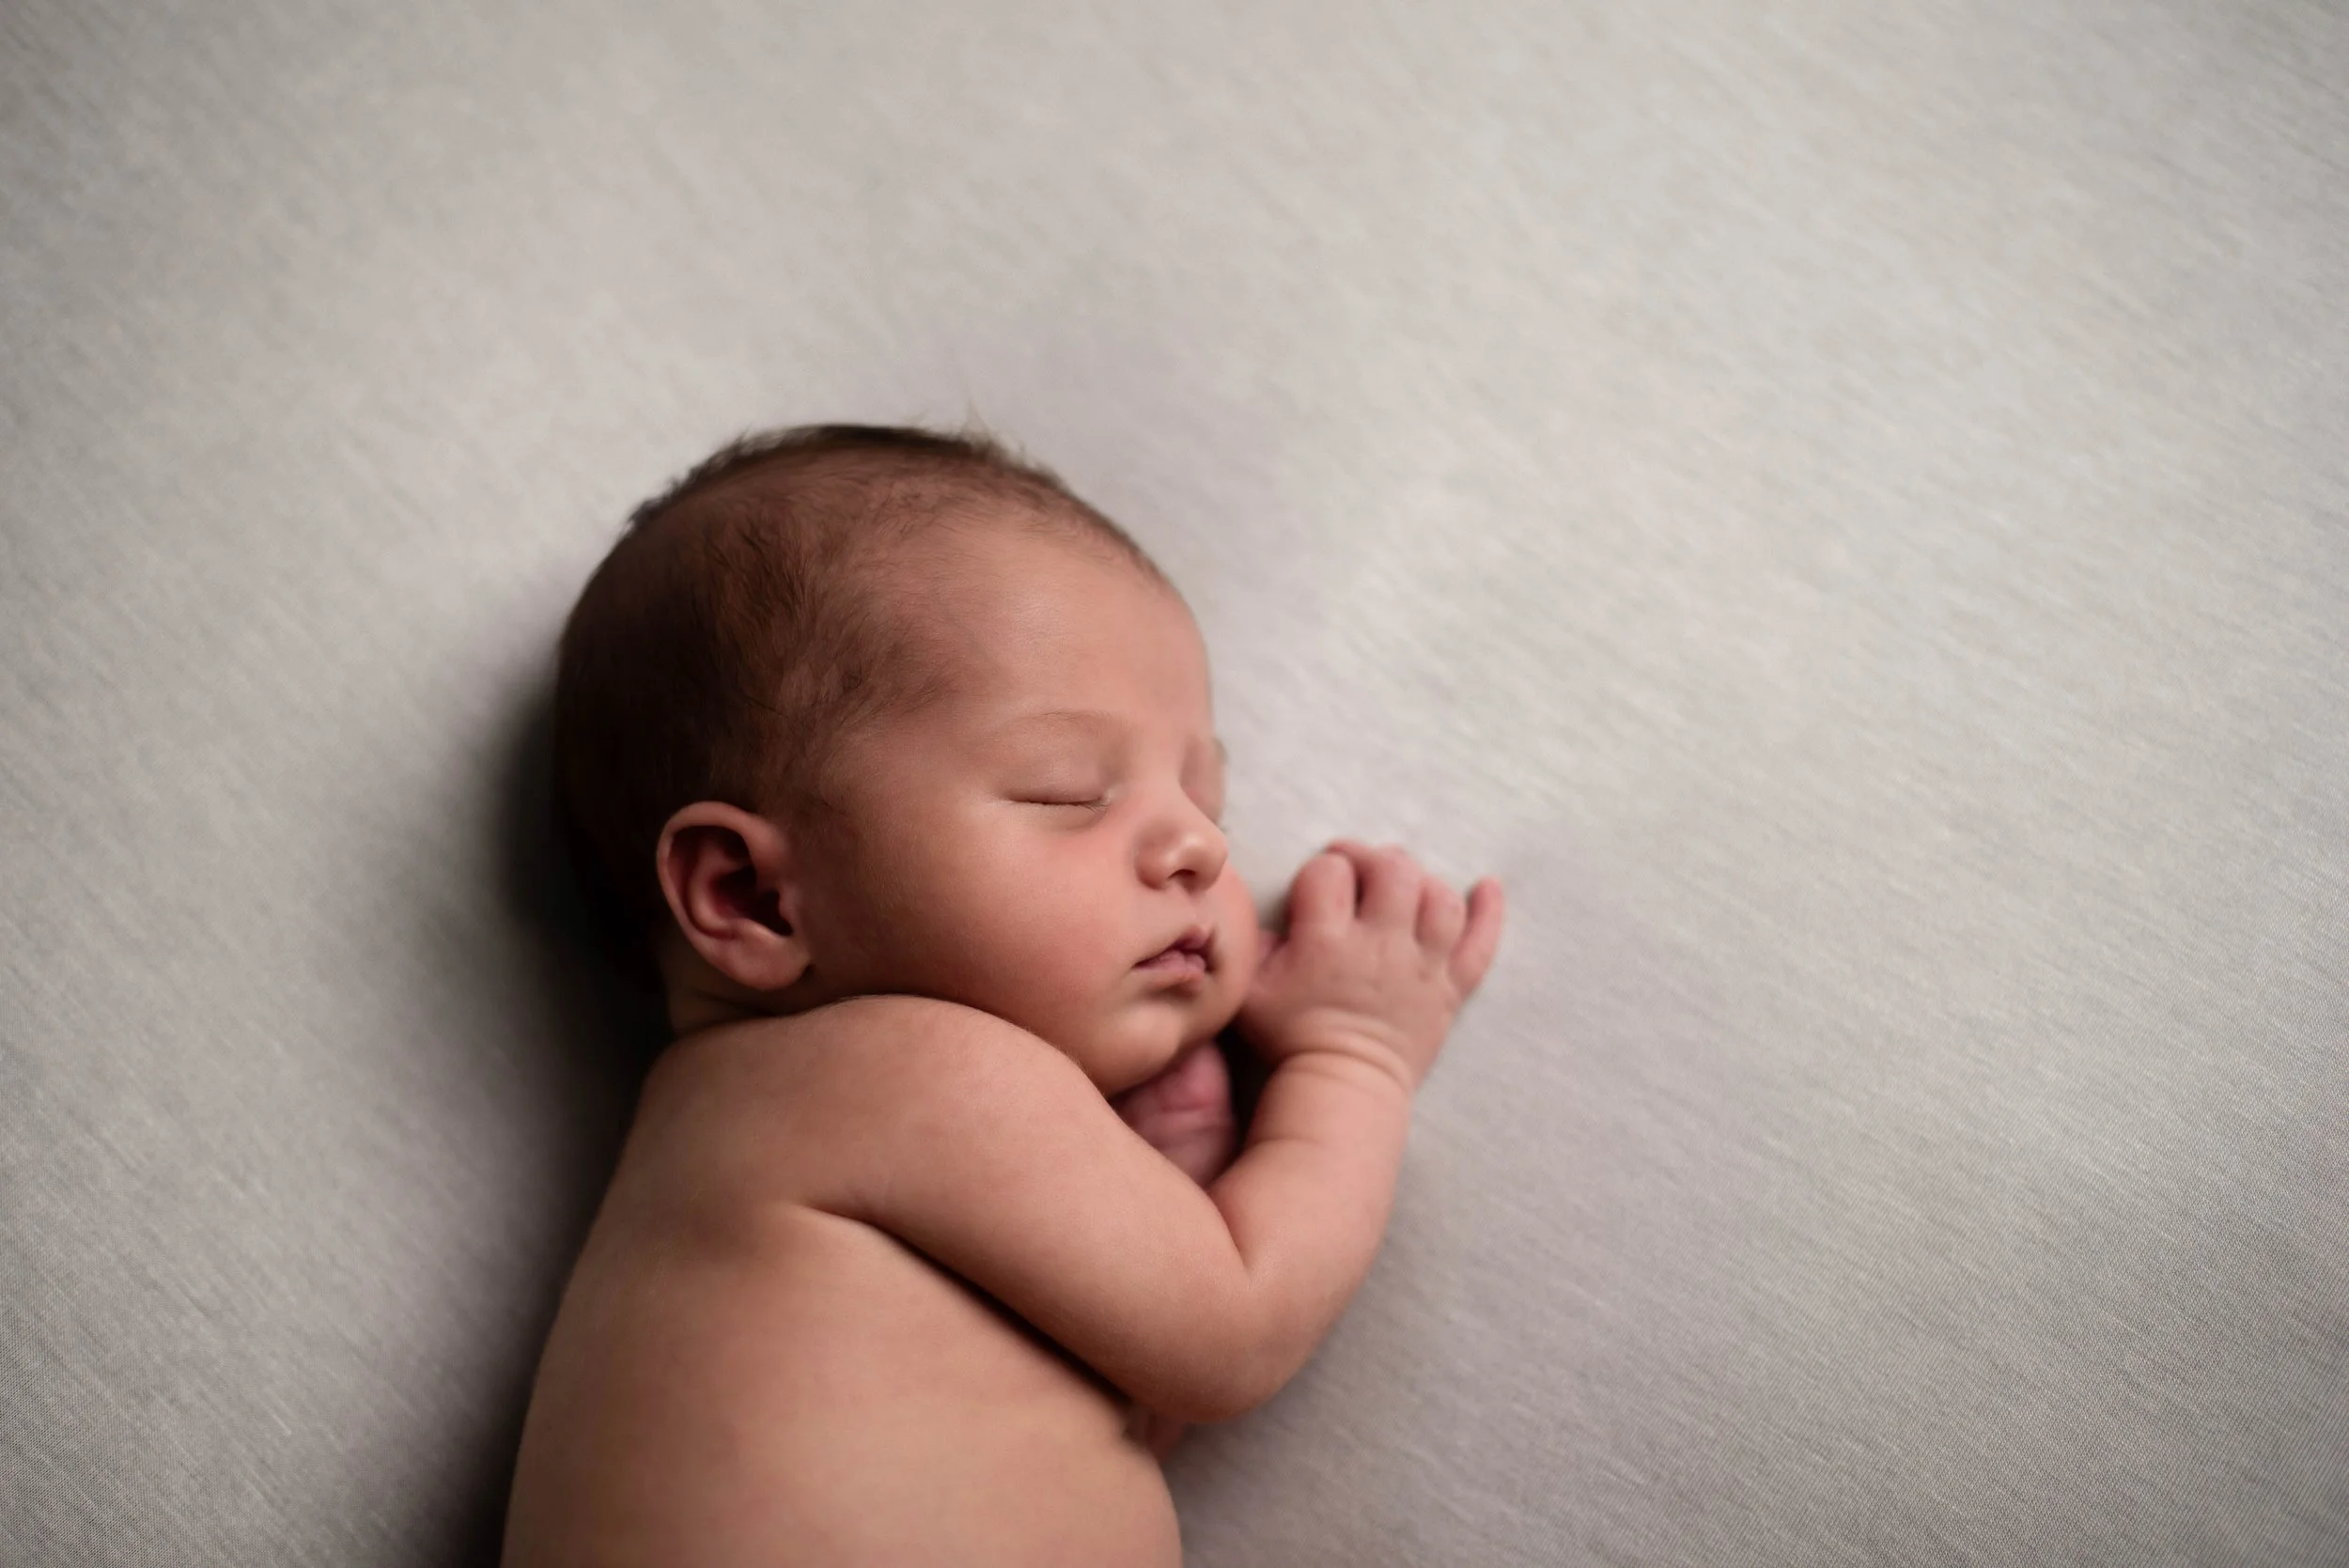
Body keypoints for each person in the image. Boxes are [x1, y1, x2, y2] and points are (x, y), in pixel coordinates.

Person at [504, 425, 1504, 1567]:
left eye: (1208, 803)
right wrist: (1352, 1058)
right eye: (1067, 792)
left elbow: (1046, 1451)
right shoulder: (902, 1066)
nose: (1195, 846)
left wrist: (1158, 1200)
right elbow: (1235, 1327)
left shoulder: (750, 1134)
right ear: (756, 899)